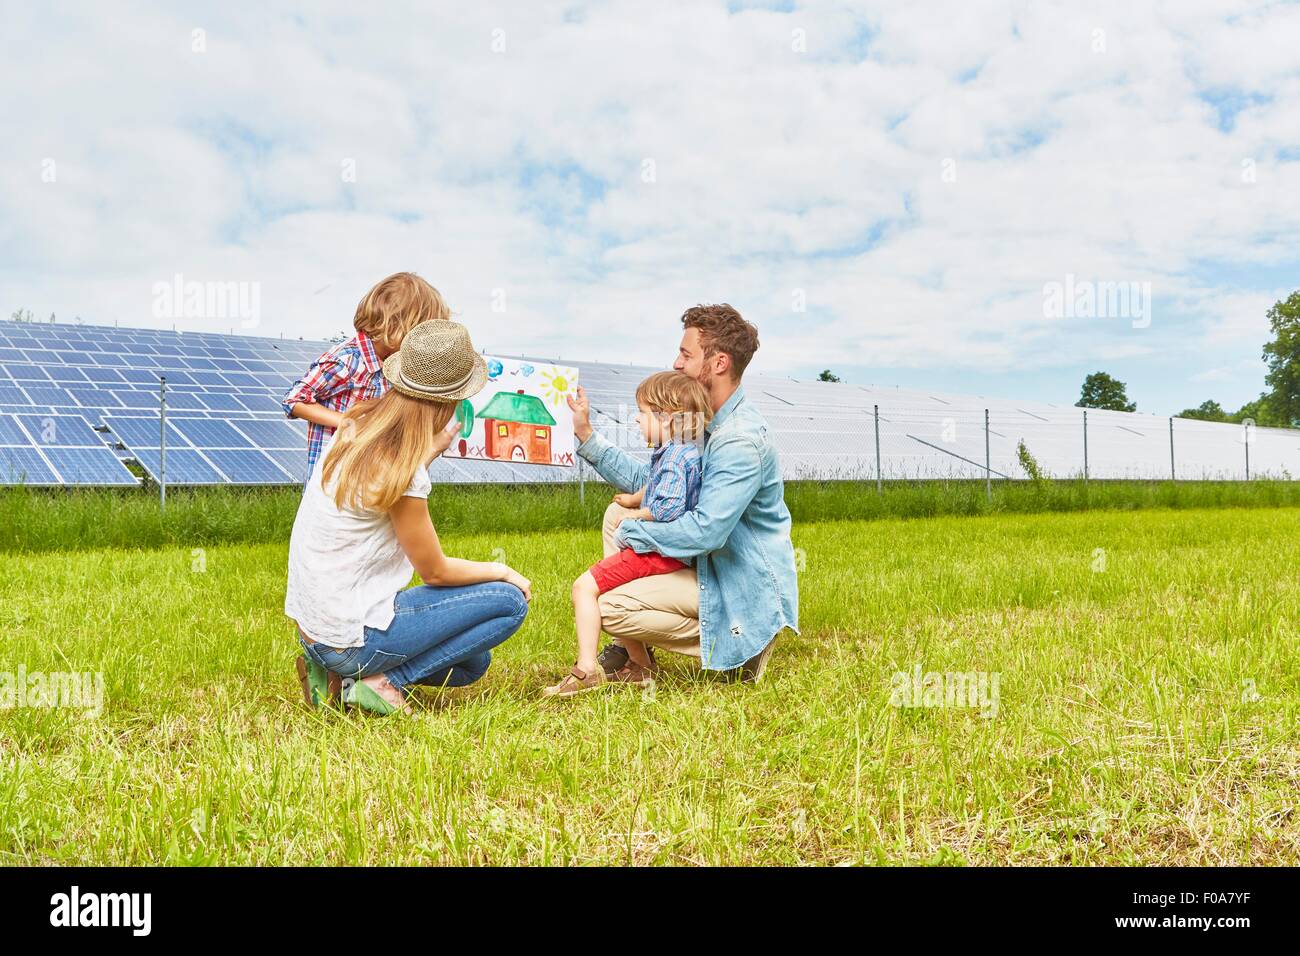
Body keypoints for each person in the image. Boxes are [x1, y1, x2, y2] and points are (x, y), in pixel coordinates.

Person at [285, 320, 531, 715]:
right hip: (349, 640)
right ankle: (382, 682)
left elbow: (383, 485)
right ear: (452, 402)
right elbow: (435, 572)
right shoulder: (404, 472)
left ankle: (330, 676)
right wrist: (502, 570)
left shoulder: (356, 426)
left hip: (315, 630)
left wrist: (430, 448)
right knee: (508, 603)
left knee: (473, 662)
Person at [566, 303, 799, 682]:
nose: (676, 363)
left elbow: (706, 532)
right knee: (615, 518)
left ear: (719, 363)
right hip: (706, 563)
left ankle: (742, 640)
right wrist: (587, 435)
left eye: (686, 354)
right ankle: (635, 654)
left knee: (605, 605)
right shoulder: (700, 423)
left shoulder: (738, 440)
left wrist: (634, 533)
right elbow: (657, 482)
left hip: (735, 581)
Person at [543, 371, 712, 697]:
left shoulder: (675, 456)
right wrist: (635, 498)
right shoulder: (685, 450)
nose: (636, 419)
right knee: (600, 576)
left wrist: (637, 514)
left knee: (584, 589)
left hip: (655, 554)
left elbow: (669, 508)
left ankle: (587, 669)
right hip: (666, 554)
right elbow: (658, 484)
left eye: (643, 413)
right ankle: (640, 666)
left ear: (667, 418)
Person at [282, 272, 451, 478]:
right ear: (396, 326)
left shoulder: (395, 365)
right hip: (332, 478)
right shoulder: (346, 360)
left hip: (368, 472)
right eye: (419, 335)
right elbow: (294, 400)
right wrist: (348, 421)